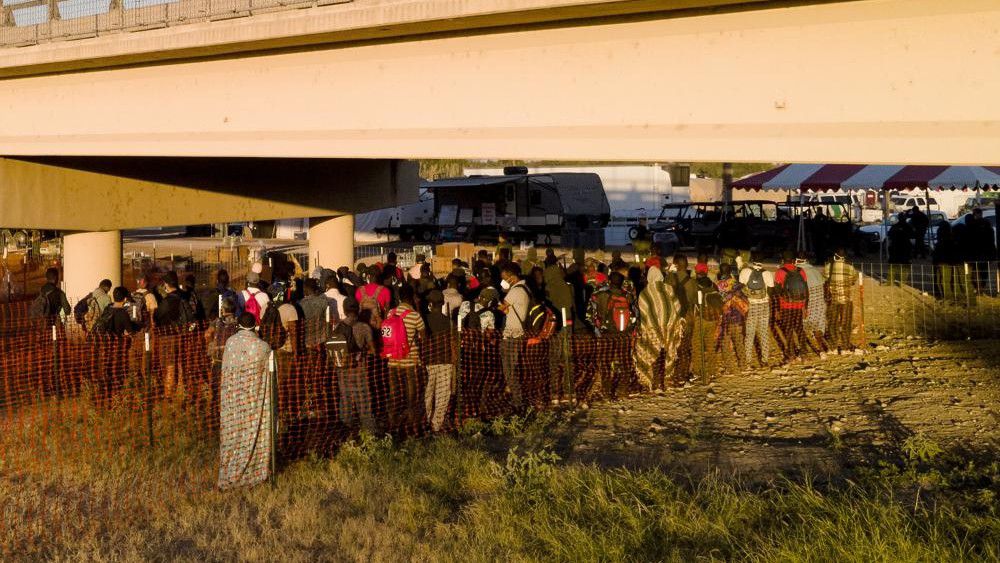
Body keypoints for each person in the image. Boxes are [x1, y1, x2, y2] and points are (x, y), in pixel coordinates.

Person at [218, 313, 275, 490]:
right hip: (253, 400)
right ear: (255, 325)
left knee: (232, 433)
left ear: (238, 325)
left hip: (232, 400)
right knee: (250, 432)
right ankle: (253, 472)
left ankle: (229, 472)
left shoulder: (230, 343)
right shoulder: (263, 347)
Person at [632, 266, 684, 390]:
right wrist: (672, 320)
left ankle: (654, 382)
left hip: (652, 328)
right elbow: (677, 306)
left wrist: (647, 324)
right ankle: (665, 380)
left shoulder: (645, 292)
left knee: (652, 352)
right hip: (669, 327)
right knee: (667, 352)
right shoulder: (669, 288)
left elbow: (643, 311)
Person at [383, 284, 426, 429]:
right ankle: (411, 415)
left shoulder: (391, 313)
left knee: (394, 389)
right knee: (411, 388)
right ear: (412, 297)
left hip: (392, 358)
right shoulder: (415, 315)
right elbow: (423, 336)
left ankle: (392, 415)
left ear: (400, 297)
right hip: (410, 358)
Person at [333, 301, 375, 432]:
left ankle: (346, 429)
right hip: (359, 368)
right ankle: (368, 430)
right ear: (358, 310)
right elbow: (373, 350)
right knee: (363, 398)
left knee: (345, 397)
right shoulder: (364, 327)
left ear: (345, 311)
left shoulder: (338, 327)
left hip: (343, 369)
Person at [154, 271, 194, 399]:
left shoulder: (167, 301)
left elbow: (157, 317)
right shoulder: (184, 296)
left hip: (168, 337)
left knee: (169, 366)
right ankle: (181, 392)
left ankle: (168, 396)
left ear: (166, 284)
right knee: (181, 365)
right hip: (183, 336)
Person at [498, 263, 530, 410]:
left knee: (509, 370)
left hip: (512, 335)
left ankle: (518, 401)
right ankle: (517, 398)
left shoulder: (516, 290)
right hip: (517, 333)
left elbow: (501, 307)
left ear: (512, 277)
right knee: (512, 369)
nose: (504, 281)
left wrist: (495, 302)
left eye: (505, 278)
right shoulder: (525, 289)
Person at [773, 251, 813, 361]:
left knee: (788, 330)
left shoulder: (780, 272)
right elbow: (806, 289)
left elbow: (777, 292)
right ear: (793, 260)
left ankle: (791, 354)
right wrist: (805, 307)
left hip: (786, 306)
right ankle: (804, 353)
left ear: (783, 260)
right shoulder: (801, 271)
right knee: (800, 329)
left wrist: (777, 309)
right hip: (799, 305)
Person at [423, 290, 454, 432]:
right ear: (442, 303)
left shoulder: (425, 319)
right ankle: (436, 424)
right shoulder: (449, 321)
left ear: (430, 304)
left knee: (428, 393)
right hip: (446, 360)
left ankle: (426, 421)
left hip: (429, 361)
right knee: (442, 394)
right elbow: (454, 342)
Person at [666, 255, 698, 383]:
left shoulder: (669, 279)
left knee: (673, 347)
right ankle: (683, 374)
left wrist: (669, 273)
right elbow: (694, 301)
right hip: (687, 319)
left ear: (675, 264)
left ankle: (671, 373)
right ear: (686, 265)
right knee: (685, 348)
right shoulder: (691, 282)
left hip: (673, 319)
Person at [739, 257, 774, 366]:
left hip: (750, 305)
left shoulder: (745, 271)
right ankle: (765, 360)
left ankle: (748, 360)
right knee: (763, 332)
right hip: (763, 305)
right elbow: (771, 290)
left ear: (752, 260)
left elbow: (740, 288)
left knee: (749, 334)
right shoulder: (767, 273)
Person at [823, 249, 858, 351]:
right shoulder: (850, 267)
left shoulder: (828, 266)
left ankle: (833, 346)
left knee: (832, 322)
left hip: (832, 300)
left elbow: (825, 277)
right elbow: (853, 280)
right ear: (844, 256)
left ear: (835, 255)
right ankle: (845, 346)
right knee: (846, 323)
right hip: (846, 300)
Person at [715, 263, 747, 367]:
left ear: (720, 271)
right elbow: (744, 299)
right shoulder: (736, 283)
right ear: (730, 271)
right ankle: (743, 364)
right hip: (737, 317)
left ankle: (729, 366)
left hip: (724, 318)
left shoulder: (717, 285)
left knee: (725, 341)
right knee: (738, 340)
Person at [799, 255, 828, 352]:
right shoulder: (814, 270)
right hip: (819, 301)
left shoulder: (798, 271)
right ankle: (821, 349)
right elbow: (824, 284)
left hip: (807, 302)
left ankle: (808, 350)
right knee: (818, 325)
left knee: (804, 325)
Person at [887, 217, 912, 287]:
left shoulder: (894, 228)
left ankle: (891, 281)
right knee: (902, 266)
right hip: (903, 249)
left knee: (894, 265)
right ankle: (902, 282)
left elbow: (890, 238)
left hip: (897, 249)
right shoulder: (906, 226)